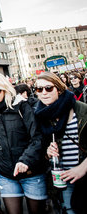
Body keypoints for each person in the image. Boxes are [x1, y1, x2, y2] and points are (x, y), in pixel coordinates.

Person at [0, 72, 47, 214]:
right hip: (6, 174)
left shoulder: (22, 106)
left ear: (5, 88)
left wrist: (26, 160)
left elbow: (36, 137)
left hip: (31, 172)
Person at [34, 72, 87, 214]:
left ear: (59, 89)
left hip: (84, 173)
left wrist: (83, 167)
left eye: (48, 88)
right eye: (39, 89)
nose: (44, 93)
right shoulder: (41, 115)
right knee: (68, 210)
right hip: (62, 176)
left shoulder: (81, 109)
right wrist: (48, 152)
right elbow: (40, 147)